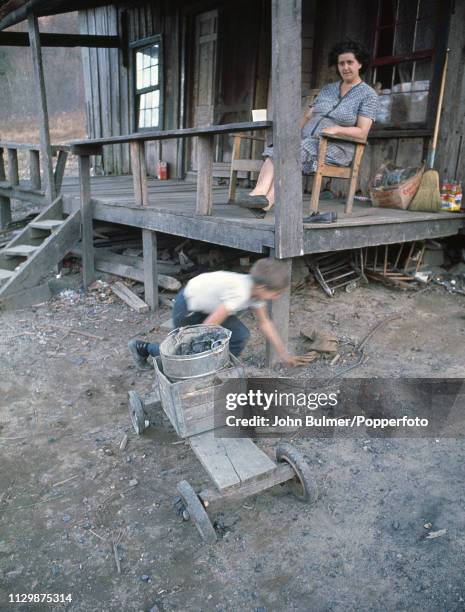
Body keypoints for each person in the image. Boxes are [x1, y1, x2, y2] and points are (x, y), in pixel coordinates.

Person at [247, 40, 379, 211]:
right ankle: (259, 195)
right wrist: (292, 135)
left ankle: (265, 202)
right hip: (308, 141)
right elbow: (308, 117)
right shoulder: (328, 89)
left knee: (297, 151)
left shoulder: (368, 95)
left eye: (350, 62)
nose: (345, 67)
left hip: (337, 146)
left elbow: (362, 132)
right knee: (282, 146)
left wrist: (337, 129)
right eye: (341, 63)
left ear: (360, 63)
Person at [128, 258, 298, 369]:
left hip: (212, 308)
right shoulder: (240, 292)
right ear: (262, 288)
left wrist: (283, 353)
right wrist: (202, 352)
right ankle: (143, 348)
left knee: (239, 335)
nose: (277, 297)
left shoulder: (256, 293)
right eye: (276, 293)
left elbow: (265, 323)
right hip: (189, 306)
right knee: (186, 353)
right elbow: (207, 328)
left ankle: (218, 368)